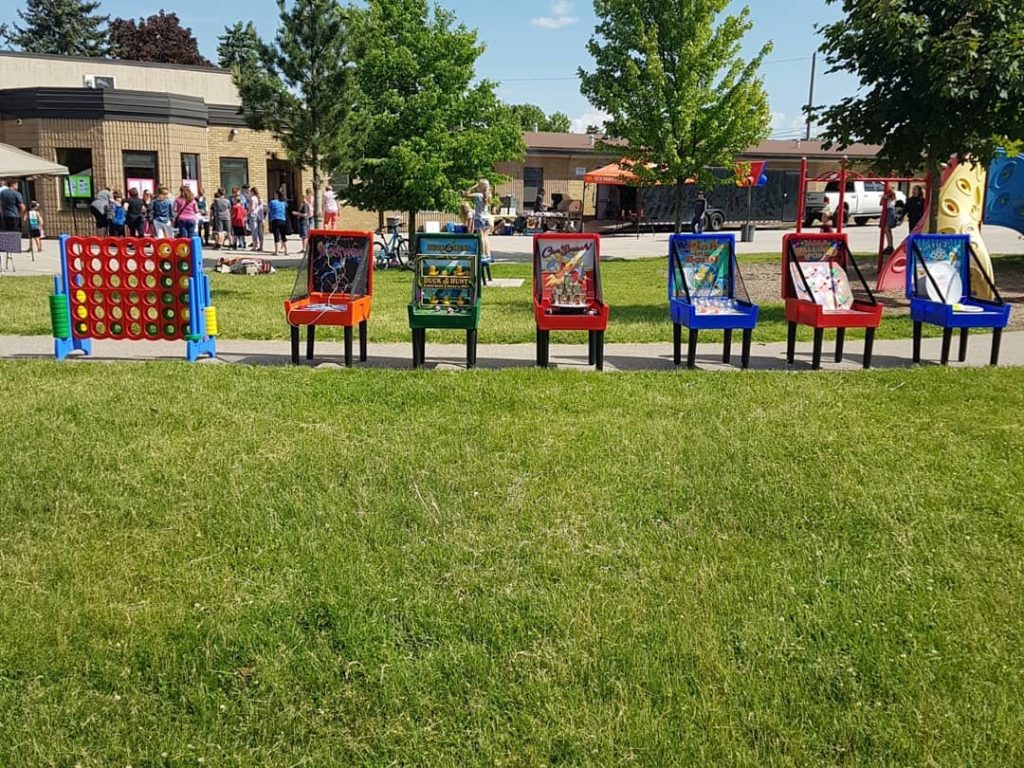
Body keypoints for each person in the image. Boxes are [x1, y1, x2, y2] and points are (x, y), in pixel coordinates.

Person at [464, 178, 493, 262]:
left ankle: (483, 254)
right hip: (486, 218)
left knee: (481, 237)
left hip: (479, 218)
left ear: (480, 187)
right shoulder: (489, 195)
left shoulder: (478, 195)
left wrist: (474, 186)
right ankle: (488, 253)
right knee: (486, 237)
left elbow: (466, 194)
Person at [291, 188, 313, 254]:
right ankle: (304, 247)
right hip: (301, 220)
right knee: (303, 235)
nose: (301, 199)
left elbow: (305, 214)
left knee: (304, 235)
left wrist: (296, 213)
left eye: (302, 198)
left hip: (304, 221)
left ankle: (304, 248)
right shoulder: (303, 204)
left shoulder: (305, 205)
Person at [268, 190, 289, 255]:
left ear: (276, 195)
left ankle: (276, 251)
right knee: (283, 235)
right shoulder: (284, 203)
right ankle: (286, 251)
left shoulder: (272, 202)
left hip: (275, 219)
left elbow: (269, 210)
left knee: (276, 235)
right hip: (283, 219)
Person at [880, 183, 896, 254]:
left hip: (890, 210)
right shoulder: (884, 194)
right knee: (885, 229)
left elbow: (893, 196)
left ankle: (890, 246)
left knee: (887, 228)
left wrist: (887, 196)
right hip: (885, 211)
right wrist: (884, 198)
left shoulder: (892, 194)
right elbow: (880, 203)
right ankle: (889, 245)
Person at [248, 187, 264, 251]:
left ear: (252, 192)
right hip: (260, 216)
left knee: (254, 231)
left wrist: (247, 213)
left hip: (253, 215)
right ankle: (261, 247)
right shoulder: (260, 199)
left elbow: (251, 208)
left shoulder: (252, 198)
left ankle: (254, 246)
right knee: (260, 232)